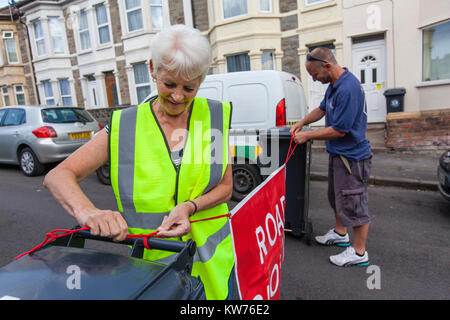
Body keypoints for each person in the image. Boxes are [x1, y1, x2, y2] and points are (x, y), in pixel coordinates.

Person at [43, 24, 235, 299]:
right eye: (169, 84)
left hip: (213, 264)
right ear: (152, 69)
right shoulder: (125, 126)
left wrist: (189, 207)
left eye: (189, 87)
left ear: (202, 79)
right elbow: (58, 176)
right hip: (154, 268)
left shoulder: (214, 117)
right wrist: (89, 212)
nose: (178, 96)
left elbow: (226, 188)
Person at [290, 47, 372, 267]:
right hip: (338, 154)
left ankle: (359, 252)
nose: (315, 80)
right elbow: (322, 109)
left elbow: (340, 130)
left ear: (326, 66)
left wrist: (306, 135)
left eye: (315, 75)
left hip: (352, 158)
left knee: (354, 203)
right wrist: (301, 122)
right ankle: (340, 233)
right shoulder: (334, 86)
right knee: (337, 198)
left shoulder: (348, 88)